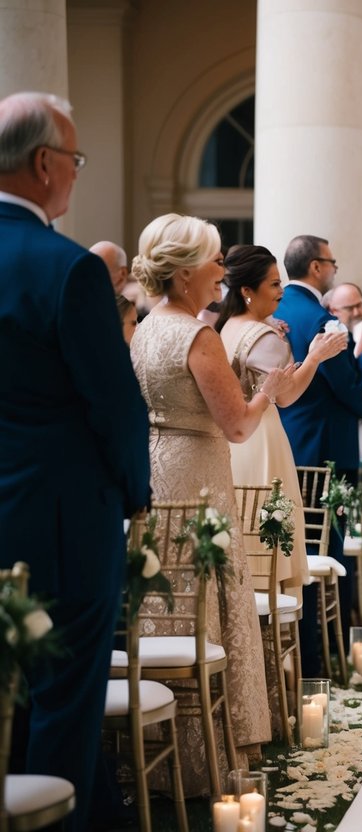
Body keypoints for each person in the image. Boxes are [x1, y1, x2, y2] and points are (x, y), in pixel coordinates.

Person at [0, 90, 150, 831]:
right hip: (60, 518)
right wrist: (135, 491)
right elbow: (115, 404)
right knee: (62, 696)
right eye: (75, 159)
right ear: (43, 164)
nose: (77, 174)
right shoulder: (67, 268)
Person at [129, 213, 290, 793]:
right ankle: (206, 757)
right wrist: (267, 390)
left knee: (163, 594)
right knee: (207, 594)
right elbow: (239, 426)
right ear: (186, 271)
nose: (223, 271)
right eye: (216, 261)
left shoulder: (146, 327)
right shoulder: (197, 335)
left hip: (157, 469)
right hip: (199, 471)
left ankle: (153, 745)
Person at [275, 236, 362, 676]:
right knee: (329, 551)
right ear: (318, 267)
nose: (335, 268)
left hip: (287, 445)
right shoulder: (322, 320)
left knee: (289, 553)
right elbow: (342, 384)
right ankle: (323, 657)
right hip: (327, 453)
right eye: (332, 262)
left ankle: (296, 656)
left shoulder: (276, 313)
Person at [214, 245, 348, 614]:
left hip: (232, 443)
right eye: (274, 284)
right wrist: (317, 356)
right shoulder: (264, 336)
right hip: (261, 440)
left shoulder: (227, 327)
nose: (281, 292)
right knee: (266, 544)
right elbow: (286, 396)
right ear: (247, 291)